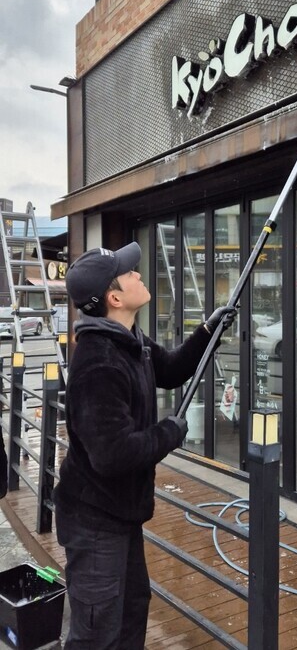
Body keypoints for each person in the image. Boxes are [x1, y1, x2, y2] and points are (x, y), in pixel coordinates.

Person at [52, 241, 237, 649]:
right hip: (94, 522)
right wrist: (169, 433)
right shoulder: (98, 362)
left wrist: (208, 331)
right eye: (129, 272)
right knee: (97, 631)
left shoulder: (129, 340)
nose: (138, 274)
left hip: (121, 513)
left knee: (132, 608)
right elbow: (112, 455)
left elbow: (169, 369)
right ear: (115, 297)